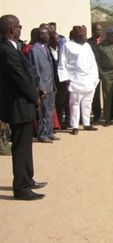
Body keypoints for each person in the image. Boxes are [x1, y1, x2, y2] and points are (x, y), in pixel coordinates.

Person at [0, 14, 47, 200]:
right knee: (20, 148)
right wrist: (35, 95)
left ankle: (28, 178)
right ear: (12, 29)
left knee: (26, 146)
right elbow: (19, 78)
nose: (21, 29)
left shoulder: (13, 47)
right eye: (18, 26)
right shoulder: (6, 50)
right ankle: (21, 187)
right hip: (18, 105)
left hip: (23, 103)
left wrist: (36, 90)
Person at [58, 25, 99, 135]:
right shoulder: (67, 46)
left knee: (87, 102)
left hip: (89, 79)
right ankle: (75, 126)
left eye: (85, 34)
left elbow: (93, 62)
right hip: (75, 79)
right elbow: (62, 64)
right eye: (82, 35)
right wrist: (65, 79)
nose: (85, 37)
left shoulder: (87, 46)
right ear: (75, 35)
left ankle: (86, 123)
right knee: (74, 104)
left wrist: (95, 77)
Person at [29, 27, 58, 142]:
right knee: (44, 111)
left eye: (48, 34)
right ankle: (43, 134)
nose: (47, 36)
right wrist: (41, 87)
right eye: (44, 35)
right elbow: (35, 70)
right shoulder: (34, 50)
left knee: (50, 110)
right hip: (43, 86)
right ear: (39, 35)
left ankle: (49, 132)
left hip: (51, 85)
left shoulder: (45, 47)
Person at [50, 31, 70, 129]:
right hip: (53, 81)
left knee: (64, 102)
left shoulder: (61, 49)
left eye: (58, 39)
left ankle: (64, 122)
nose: (57, 41)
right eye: (54, 39)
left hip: (63, 81)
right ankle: (56, 123)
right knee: (56, 103)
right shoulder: (48, 50)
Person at [88, 23, 103, 123]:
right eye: (97, 30)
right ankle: (96, 114)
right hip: (93, 71)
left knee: (107, 93)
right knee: (95, 94)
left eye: (100, 30)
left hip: (105, 70)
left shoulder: (104, 42)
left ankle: (108, 114)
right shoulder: (88, 43)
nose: (99, 32)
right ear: (93, 30)